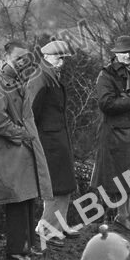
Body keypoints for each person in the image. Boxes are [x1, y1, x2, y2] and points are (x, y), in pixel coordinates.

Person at [0, 41, 54, 260]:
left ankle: (28, 245)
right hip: (11, 152)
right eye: (18, 58)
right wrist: (20, 134)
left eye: (25, 58)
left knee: (28, 197)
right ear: (6, 58)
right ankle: (15, 252)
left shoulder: (18, 80)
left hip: (23, 150)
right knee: (16, 201)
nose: (22, 62)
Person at [91, 34, 130, 233]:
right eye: (124, 52)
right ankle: (122, 215)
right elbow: (106, 104)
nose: (128, 55)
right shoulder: (106, 75)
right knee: (122, 175)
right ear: (116, 53)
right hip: (117, 134)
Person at [26, 39, 80, 248]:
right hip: (47, 141)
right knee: (54, 186)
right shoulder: (40, 78)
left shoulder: (52, 76)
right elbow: (30, 114)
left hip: (58, 139)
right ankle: (46, 229)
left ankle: (60, 224)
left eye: (64, 58)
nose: (62, 62)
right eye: (59, 57)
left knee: (65, 184)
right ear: (46, 57)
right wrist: (35, 141)